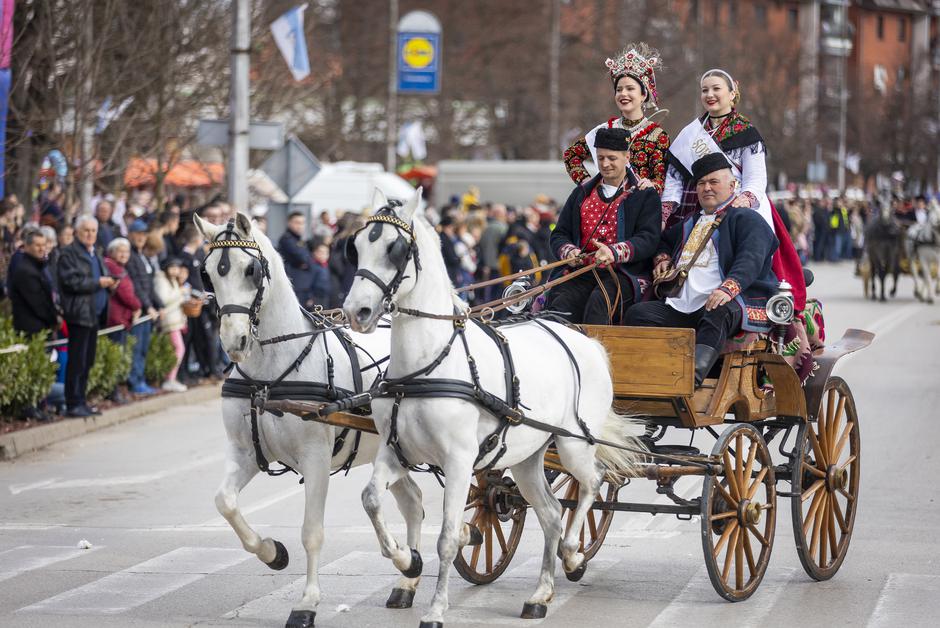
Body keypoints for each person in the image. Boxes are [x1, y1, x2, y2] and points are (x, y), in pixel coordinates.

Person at [625, 153, 778, 387]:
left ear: (733, 185)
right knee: (638, 314)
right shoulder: (691, 220)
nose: (707, 188)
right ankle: (652, 377)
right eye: (701, 183)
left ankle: (690, 380)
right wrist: (663, 259)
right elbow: (663, 240)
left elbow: (751, 258)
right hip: (683, 304)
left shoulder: (747, 218)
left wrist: (728, 289)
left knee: (718, 311)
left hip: (735, 300)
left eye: (713, 182)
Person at [662, 68, 806, 312]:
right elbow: (674, 177)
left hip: (738, 207)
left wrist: (741, 203)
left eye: (716, 88)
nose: (710, 94)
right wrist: (666, 209)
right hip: (699, 205)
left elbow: (756, 178)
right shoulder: (690, 134)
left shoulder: (747, 133)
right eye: (705, 90)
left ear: (732, 92)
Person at [546, 127, 661, 324]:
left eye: (611, 158)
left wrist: (614, 252)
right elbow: (559, 234)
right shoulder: (581, 194)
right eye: (600, 158)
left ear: (627, 157)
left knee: (600, 304)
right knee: (559, 306)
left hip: (624, 274)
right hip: (581, 272)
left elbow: (649, 239)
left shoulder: (644, 195)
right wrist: (570, 252)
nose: (605, 164)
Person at [564, 43, 670, 193]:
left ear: (643, 94)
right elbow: (571, 155)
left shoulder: (658, 136)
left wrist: (652, 185)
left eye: (630, 89)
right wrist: (588, 184)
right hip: (605, 209)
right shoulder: (605, 130)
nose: (623, 94)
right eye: (619, 89)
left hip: (640, 209)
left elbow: (662, 179)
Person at [58, 215, 115, 417]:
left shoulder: (95, 253)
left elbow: (101, 276)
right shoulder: (68, 254)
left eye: (93, 230)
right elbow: (70, 282)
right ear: (77, 232)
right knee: (77, 361)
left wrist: (110, 283)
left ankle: (81, 400)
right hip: (79, 315)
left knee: (88, 360)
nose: (90, 234)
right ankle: (73, 403)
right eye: (86, 230)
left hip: (95, 315)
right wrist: (97, 282)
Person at [125, 220, 161, 395]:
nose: (141, 237)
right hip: (139, 312)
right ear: (130, 234)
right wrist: (148, 307)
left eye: (143, 234)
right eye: (137, 234)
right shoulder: (130, 256)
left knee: (144, 348)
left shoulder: (144, 256)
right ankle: (135, 381)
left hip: (149, 311)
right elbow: (136, 286)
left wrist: (158, 304)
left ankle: (141, 379)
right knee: (136, 348)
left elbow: (149, 285)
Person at [154, 258, 189, 392]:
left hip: (176, 320)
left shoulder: (173, 280)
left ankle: (170, 378)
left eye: (177, 268)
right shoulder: (161, 279)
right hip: (168, 321)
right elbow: (164, 299)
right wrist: (180, 292)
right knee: (179, 349)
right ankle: (169, 379)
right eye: (172, 268)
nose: (175, 271)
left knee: (175, 350)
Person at [103, 238, 141, 347]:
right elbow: (125, 293)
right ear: (111, 252)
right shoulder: (113, 267)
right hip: (116, 319)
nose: (124, 255)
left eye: (127, 251)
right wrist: (137, 306)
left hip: (118, 318)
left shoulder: (117, 266)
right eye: (120, 251)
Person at [278, 211, 314, 308]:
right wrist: (306, 260)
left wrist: (307, 261)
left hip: (304, 286)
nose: (300, 226)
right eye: (297, 222)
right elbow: (303, 258)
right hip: (294, 285)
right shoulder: (287, 239)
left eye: (302, 223)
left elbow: (309, 261)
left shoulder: (299, 240)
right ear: (289, 223)